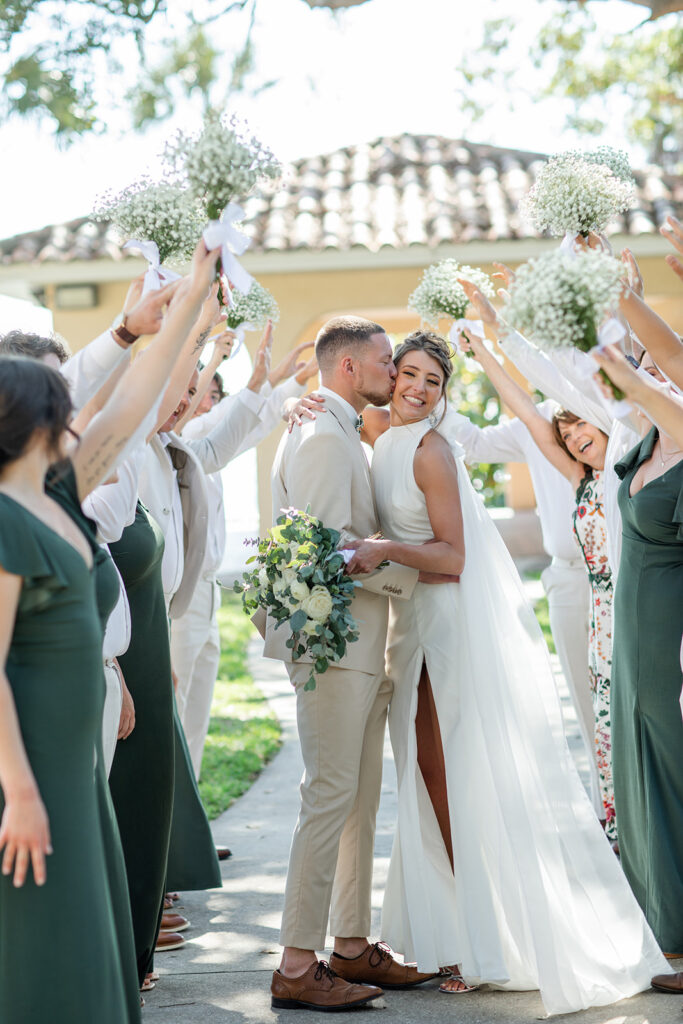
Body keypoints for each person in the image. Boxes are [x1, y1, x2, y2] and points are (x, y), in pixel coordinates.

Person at [343, 329, 670, 1015]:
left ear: (442, 392)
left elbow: (452, 556)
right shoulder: (380, 436)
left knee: (450, 776)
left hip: (444, 625)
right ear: (390, 375)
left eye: (433, 381)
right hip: (408, 629)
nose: (418, 388)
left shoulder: (431, 449)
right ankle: (457, 932)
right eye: (409, 373)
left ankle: (480, 938)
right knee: (424, 775)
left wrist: (383, 548)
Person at [0, 236, 220, 1023]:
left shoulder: (61, 494)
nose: (80, 416)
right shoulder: (1, 521)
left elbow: (128, 406)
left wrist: (191, 301)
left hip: (75, 752)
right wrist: (18, 793)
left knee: (89, 927)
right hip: (29, 766)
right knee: (41, 935)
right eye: (62, 409)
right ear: (31, 423)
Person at [264, 315, 445, 1013]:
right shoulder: (320, 437)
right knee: (328, 799)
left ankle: (348, 944)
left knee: (358, 803)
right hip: (333, 652)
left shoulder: (342, 430)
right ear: (347, 370)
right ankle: (295, 963)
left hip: (363, 651)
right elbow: (321, 557)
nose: (392, 370)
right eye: (382, 361)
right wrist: (410, 576)